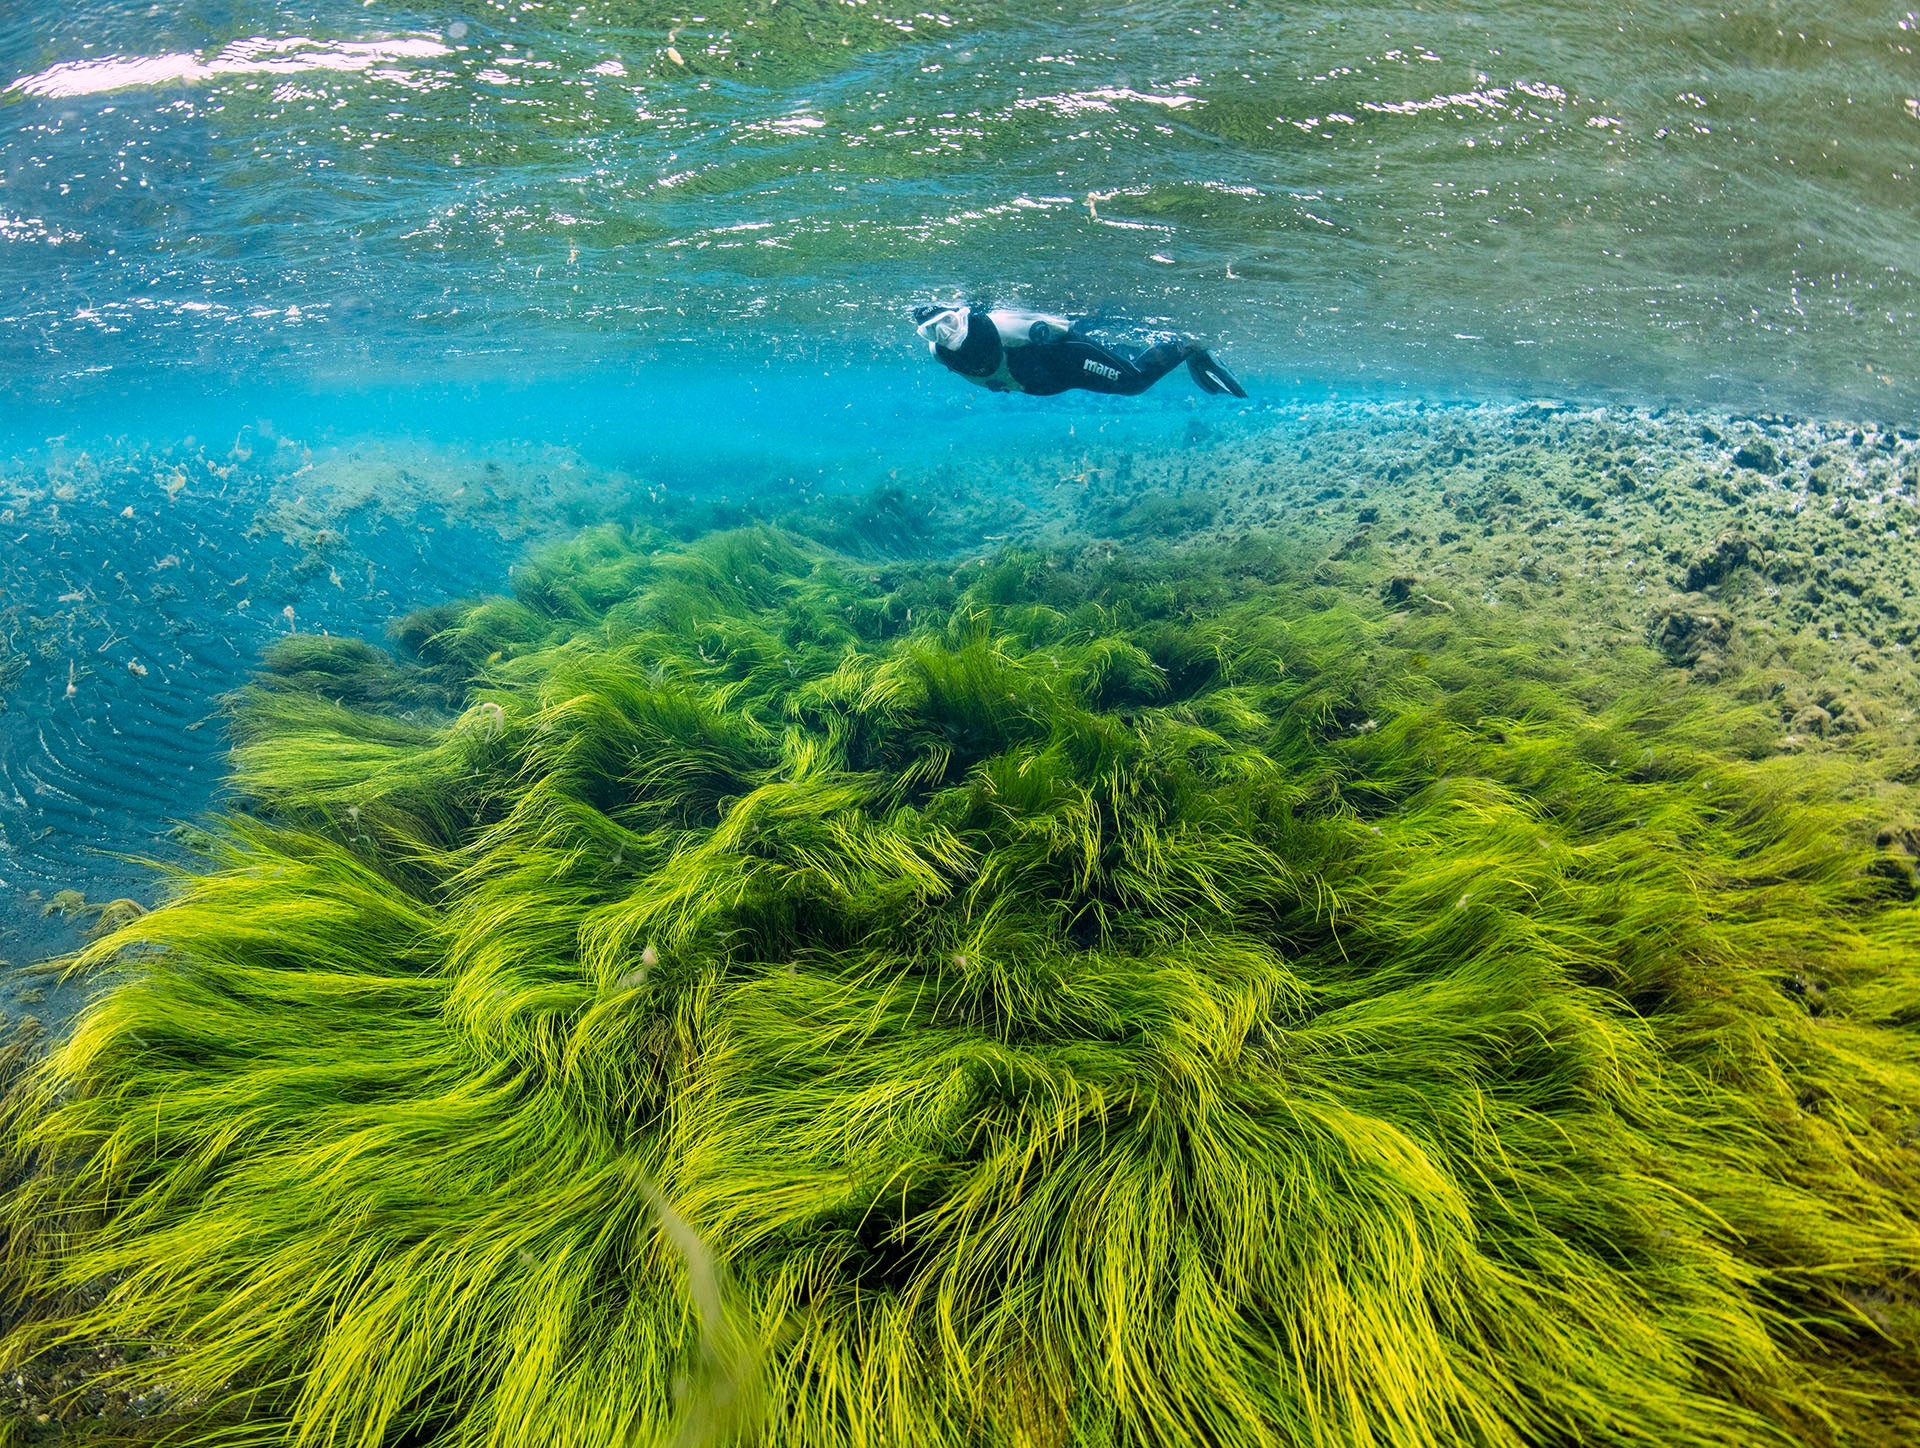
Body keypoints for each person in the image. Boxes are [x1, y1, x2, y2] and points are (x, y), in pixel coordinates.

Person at [912, 303, 1247, 399]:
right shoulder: (939, 352)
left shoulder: (998, 327)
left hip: (1068, 359)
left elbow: (1065, 328)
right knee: (1127, 368)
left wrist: (1084, 327)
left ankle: (1189, 345)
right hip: (1048, 381)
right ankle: (1168, 350)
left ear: (960, 315)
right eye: (933, 331)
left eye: (949, 324)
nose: (945, 334)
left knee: (1134, 382)